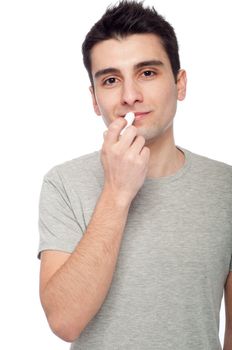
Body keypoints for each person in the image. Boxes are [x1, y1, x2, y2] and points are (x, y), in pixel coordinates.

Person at [38, 1, 232, 349]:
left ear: (180, 83)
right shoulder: (63, 184)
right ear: (95, 100)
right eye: (111, 80)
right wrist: (117, 192)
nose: (130, 96)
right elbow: (65, 320)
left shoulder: (226, 188)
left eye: (147, 73)